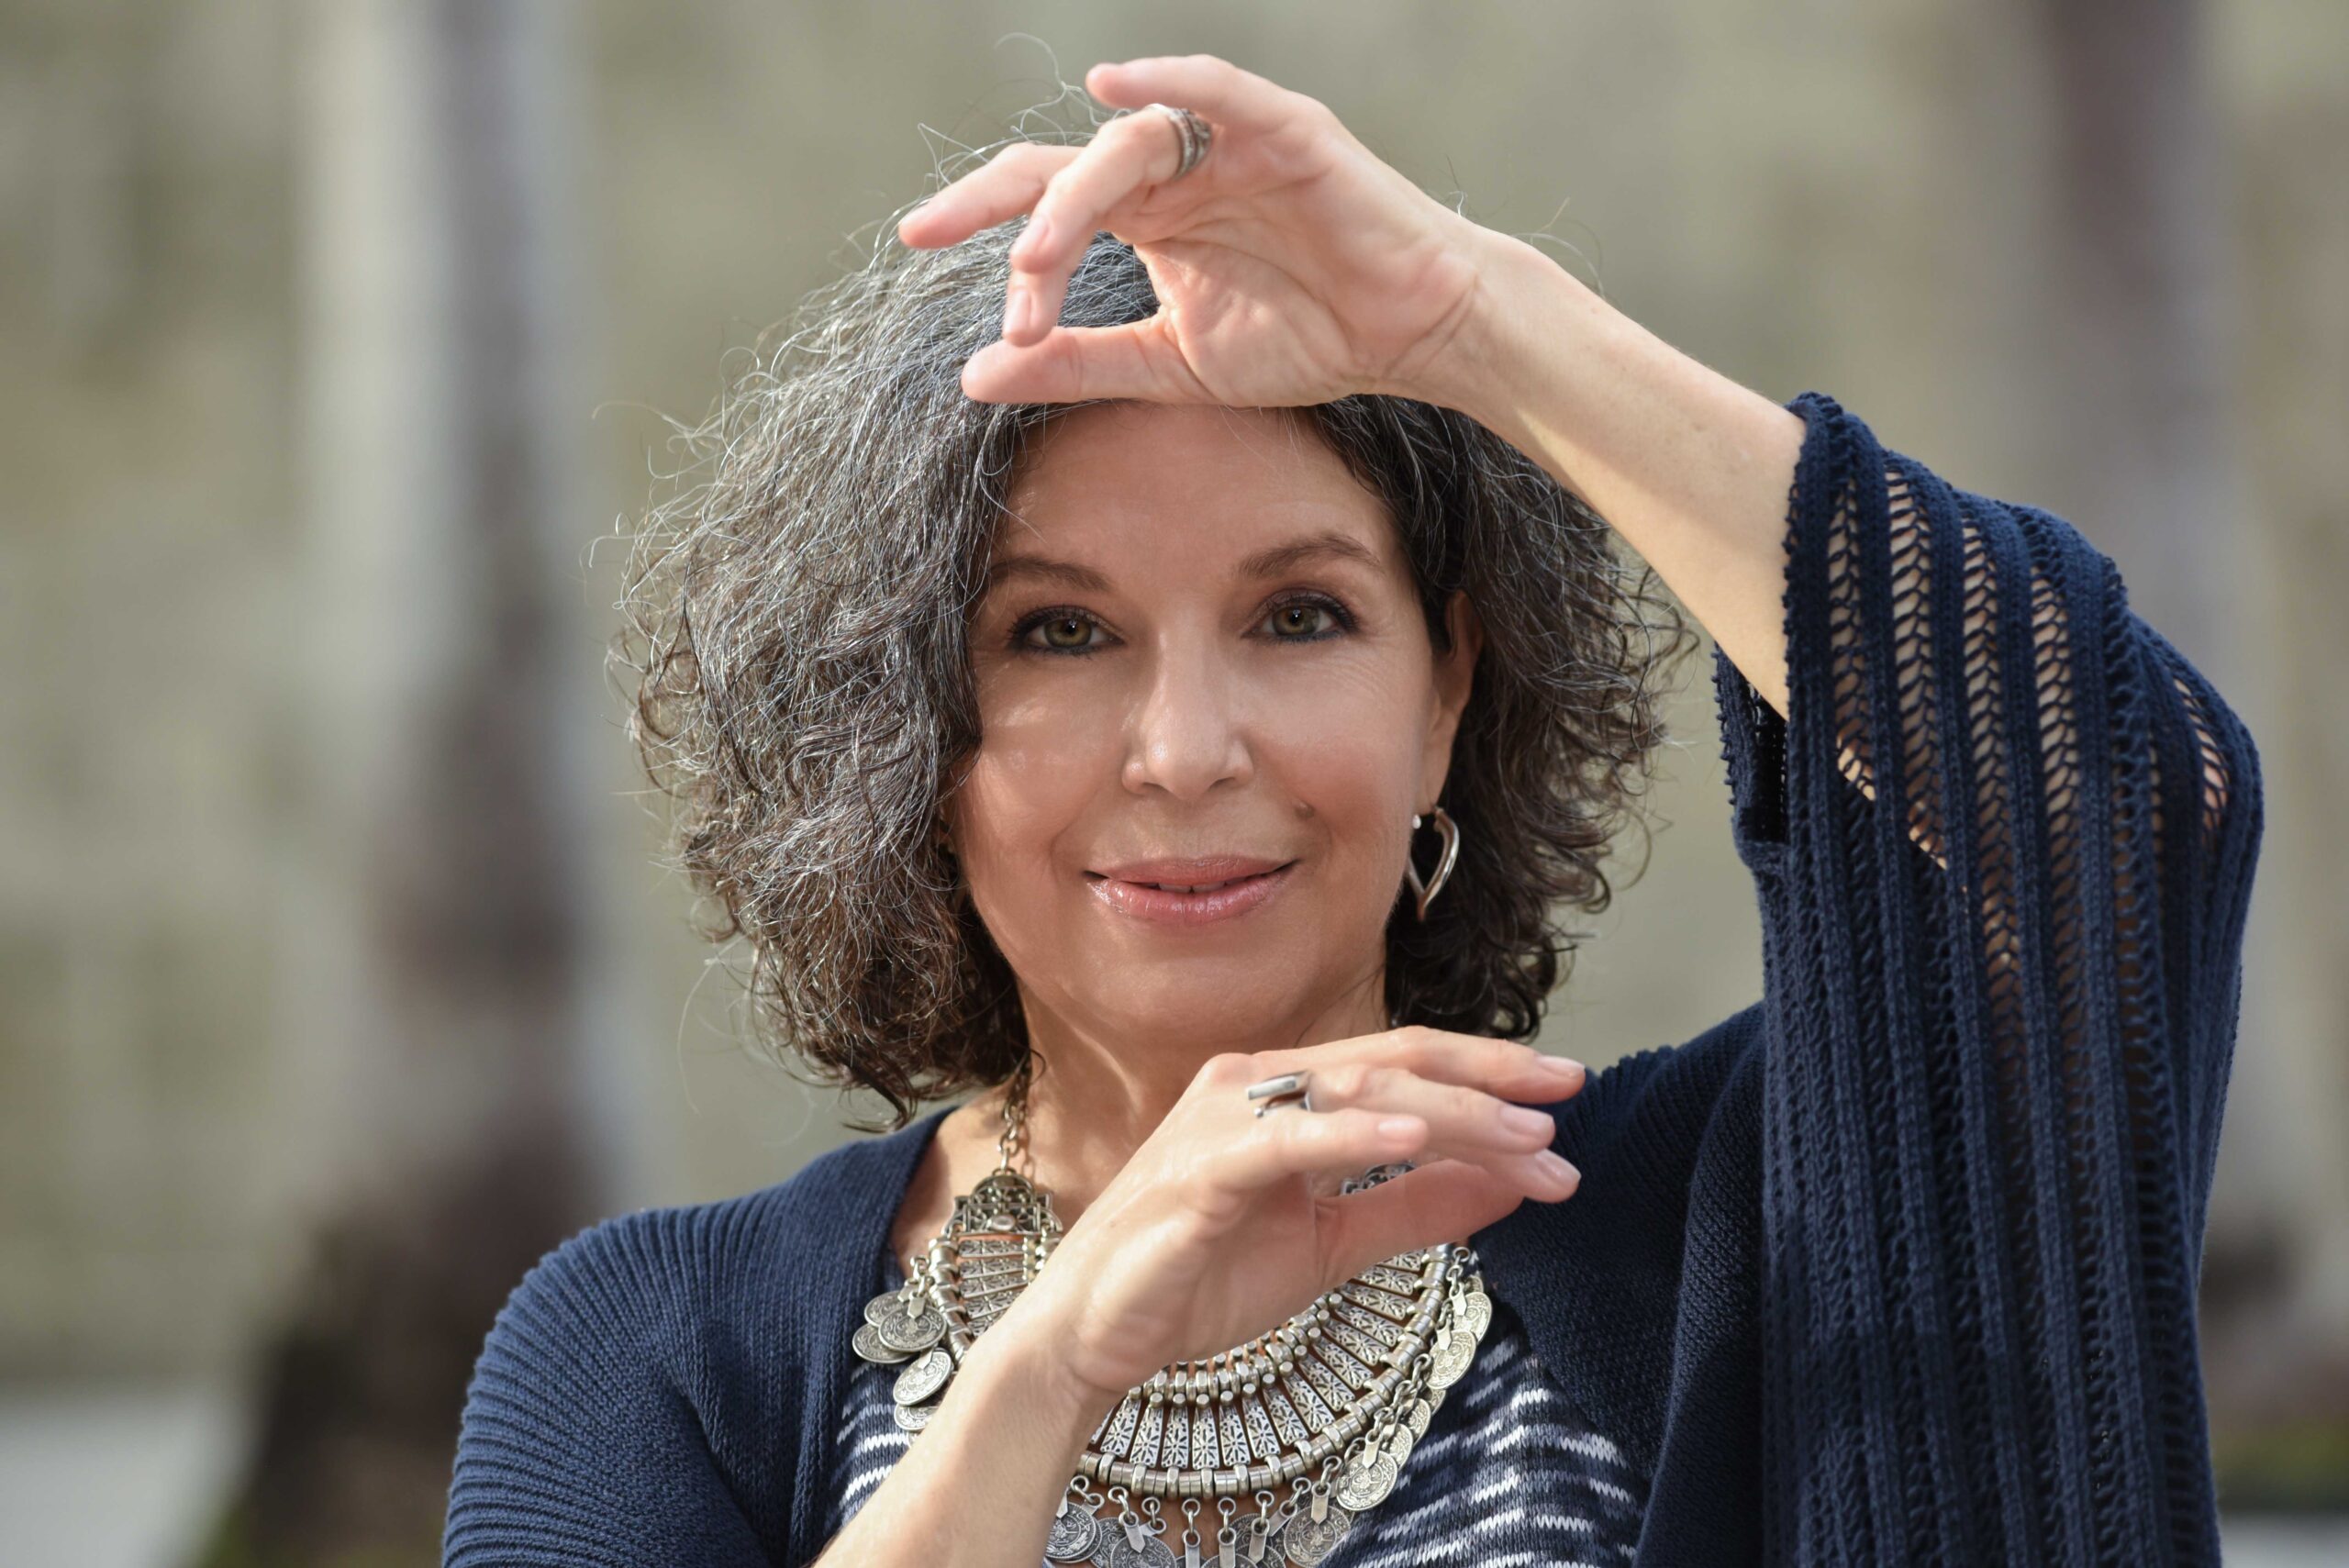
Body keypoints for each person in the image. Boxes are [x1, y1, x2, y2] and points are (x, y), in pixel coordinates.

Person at [441, 54, 2264, 1568]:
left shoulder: (1735, 1212)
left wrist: (1473, 325)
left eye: (1297, 614)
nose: (1182, 748)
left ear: (1447, 685)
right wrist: (1050, 1365)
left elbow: (2108, 805)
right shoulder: (642, 1354)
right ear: (911, 719)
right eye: (1055, 632)